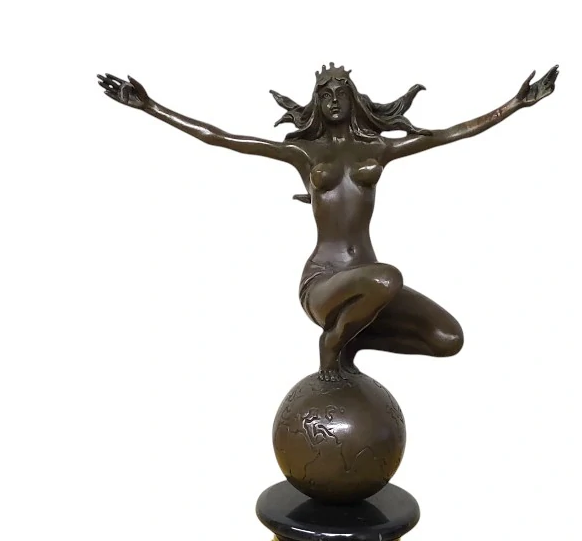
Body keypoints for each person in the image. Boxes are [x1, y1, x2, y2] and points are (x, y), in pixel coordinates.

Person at [98, 62, 558, 380]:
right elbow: (223, 138)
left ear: (353, 99)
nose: (334, 100)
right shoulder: (305, 152)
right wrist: (150, 106)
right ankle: (334, 342)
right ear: (316, 103)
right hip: (325, 281)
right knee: (387, 278)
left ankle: (353, 340)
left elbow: (448, 135)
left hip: (369, 280)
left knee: (447, 338)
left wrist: (515, 104)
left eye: (340, 93)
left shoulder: (378, 149)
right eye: (325, 94)